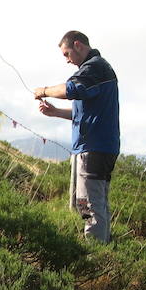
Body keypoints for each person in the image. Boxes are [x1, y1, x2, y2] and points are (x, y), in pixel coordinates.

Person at [33, 30, 119, 243]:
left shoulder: (94, 67)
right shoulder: (97, 70)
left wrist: (43, 90)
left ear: (78, 45)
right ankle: (103, 249)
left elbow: (70, 89)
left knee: (89, 205)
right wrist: (56, 112)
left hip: (94, 147)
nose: (67, 60)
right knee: (97, 203)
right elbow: (85, 113)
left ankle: (97, 254)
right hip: (101, 147)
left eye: (67, 54)